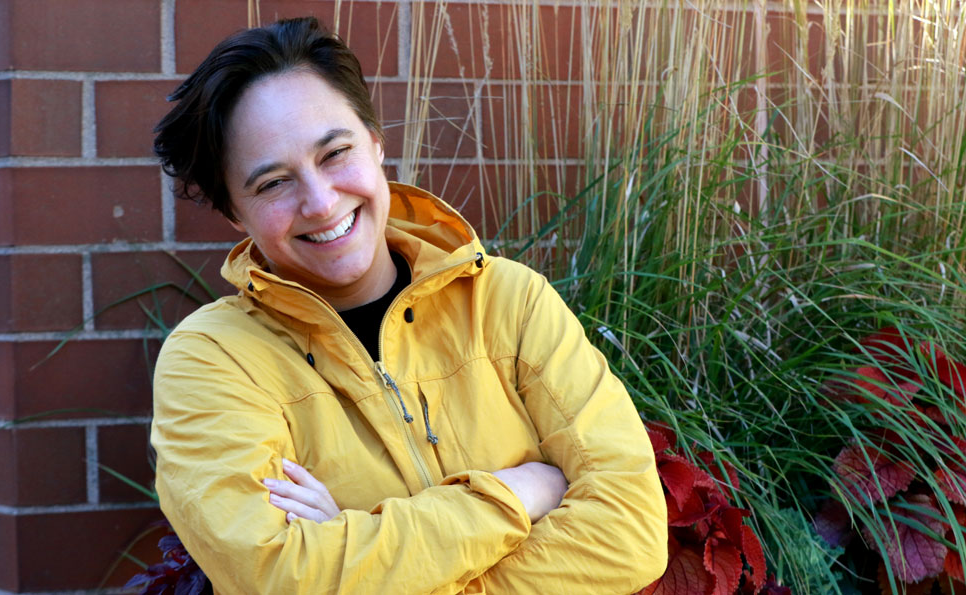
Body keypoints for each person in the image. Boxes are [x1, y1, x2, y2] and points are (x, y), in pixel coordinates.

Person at [150, 17, 667, 594]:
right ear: (235, 216)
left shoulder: (510, 302)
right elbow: (274, 577)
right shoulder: (213, 362)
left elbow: (632, 532)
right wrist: (520, 494)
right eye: (273, 183)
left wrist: (356, 554)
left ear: (375, 143)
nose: (320, 203)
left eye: (336, 153)